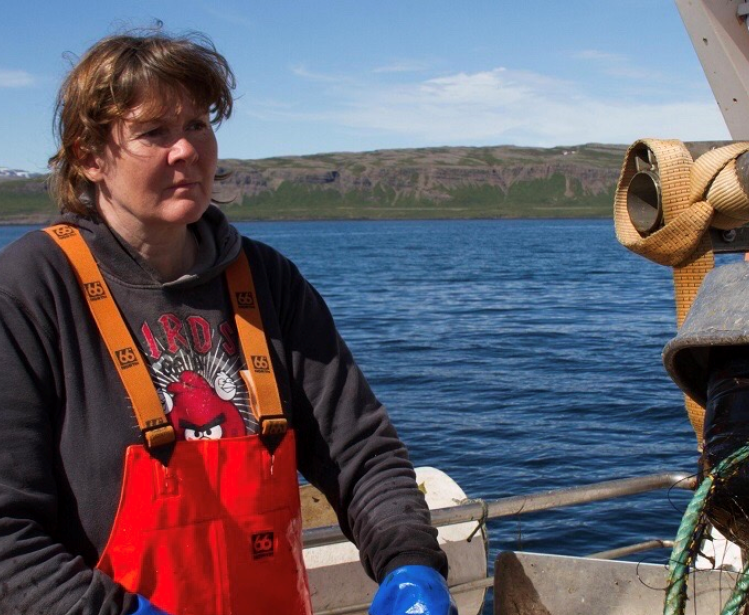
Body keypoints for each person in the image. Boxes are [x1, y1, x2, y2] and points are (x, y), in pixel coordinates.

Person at [0, 31, 456, 615]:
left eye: (197, 124)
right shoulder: (29, 290)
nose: (186, 150)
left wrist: (410, 564)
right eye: (154, 132)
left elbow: (361, 453)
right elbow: (8, 533)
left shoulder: (269, 282)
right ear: (90, 156)